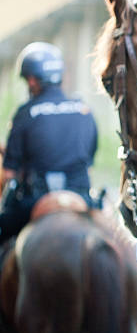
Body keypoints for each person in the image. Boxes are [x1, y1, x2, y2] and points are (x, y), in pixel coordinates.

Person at [0, 42, 98, 243]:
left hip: (33, 201)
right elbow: (88, 162)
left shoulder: (25, 114)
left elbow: (9, 173)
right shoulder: (84, 111)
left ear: (32, 80)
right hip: (82, 198)